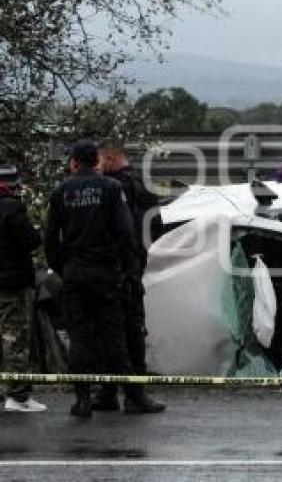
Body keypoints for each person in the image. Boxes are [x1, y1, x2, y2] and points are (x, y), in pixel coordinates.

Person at [44, 141, 161, 417]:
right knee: (114, 337)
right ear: (96, 160)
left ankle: (83, 399)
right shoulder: (111, 188)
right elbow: (125, 233)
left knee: (80, 338)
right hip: (105, 274)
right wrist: (130, 271)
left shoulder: (61, 191)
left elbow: (49, 238)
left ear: (73, 162)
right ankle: (133, 396)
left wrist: (63, 268)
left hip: (75, 273)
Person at [95, 139, 165, 413]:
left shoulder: (112, 188)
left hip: (112, 269)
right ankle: (128, 393)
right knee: (129, 331)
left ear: (110, 158)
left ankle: (113, 393)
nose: (97, 168)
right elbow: (156, 227)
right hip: (132, 268)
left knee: (112, 333)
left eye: (100, 162)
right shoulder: (143, 186)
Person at [0, 165, 47, 413]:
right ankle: (17, 396)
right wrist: (39, 230)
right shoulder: (12, 208)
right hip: (12, 284)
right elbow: (30, 241)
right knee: (15, 338)